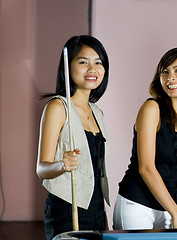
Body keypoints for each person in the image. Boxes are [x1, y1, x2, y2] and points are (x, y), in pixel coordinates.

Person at [113, 47, 177, 230]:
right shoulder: (151, 109)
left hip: (168, 206)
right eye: (165, 72)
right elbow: (146, 169)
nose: (170, 78)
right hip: (137, 204)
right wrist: (176, 213)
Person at [36, 35, 110, 240]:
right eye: (83, 62)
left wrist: (103, 215)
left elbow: (96, 173)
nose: (92, 69)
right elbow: (41, 169)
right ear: (68, 67)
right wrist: (62, 165)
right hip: (66, 210)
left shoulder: (98, 112)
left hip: (97, 211)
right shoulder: (58, 107)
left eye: (98, 63)